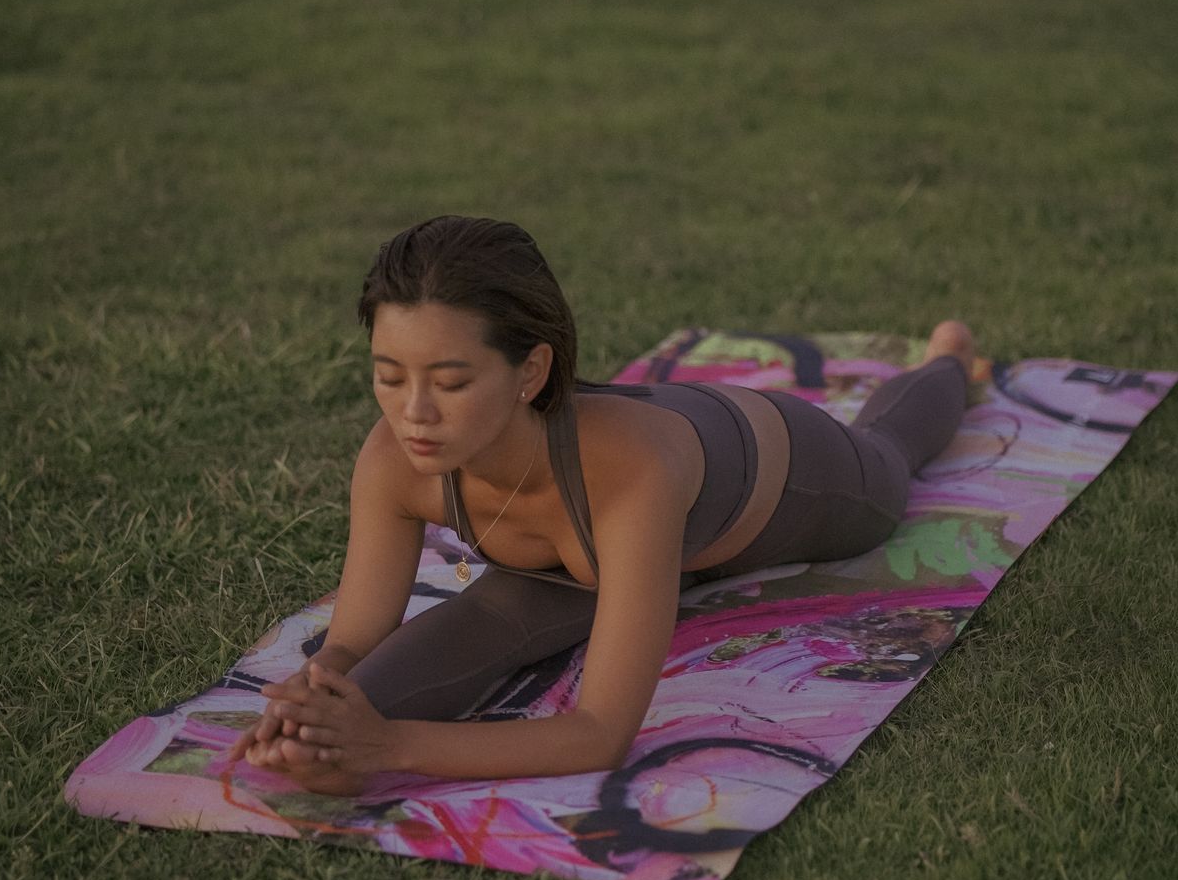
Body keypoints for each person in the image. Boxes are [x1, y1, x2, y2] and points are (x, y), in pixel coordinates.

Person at [228, 216, 975, 793]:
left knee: (887, 461)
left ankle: (948, 361)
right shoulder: (395, 459)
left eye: (450, 383)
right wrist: (309, 708)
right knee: (440, 650)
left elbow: (599, 734)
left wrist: (389, 749)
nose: (413, 412)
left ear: (531, 371)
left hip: (790, 473)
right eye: (389, 376)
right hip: (600, 547)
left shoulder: (630, 474)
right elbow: (353, 644)